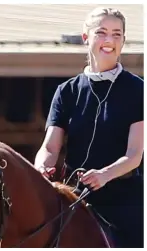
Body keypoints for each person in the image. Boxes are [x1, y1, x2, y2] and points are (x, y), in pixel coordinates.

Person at [34, 7, 143, 248]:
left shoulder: (138, 90)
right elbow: (51, 148)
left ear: (123, 41)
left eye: (117, 34)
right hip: (75, 198)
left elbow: (134, 155)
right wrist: (41, 168)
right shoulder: (66, 91)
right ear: (86, 38)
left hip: (125, 201)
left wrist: (104, 175)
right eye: (101, 32)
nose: (109, 40)